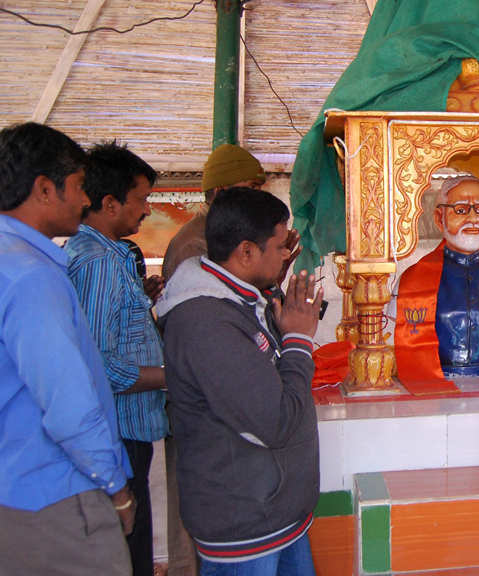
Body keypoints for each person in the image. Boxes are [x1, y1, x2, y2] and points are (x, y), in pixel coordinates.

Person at [155, 188, 322, 575]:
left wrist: (284, 324)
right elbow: (276, 420)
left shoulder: (241, 300)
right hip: (244, 529)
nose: (287, 256)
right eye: (280, 247)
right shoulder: (205, 320)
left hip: (275, 517)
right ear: (246, 252)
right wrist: (298, 339)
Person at [0, 122, 134, 575]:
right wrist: (116, 488)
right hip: (55, 493)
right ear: (43, 189)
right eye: (78, 187)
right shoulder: (30, 277)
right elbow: (68, 403)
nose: (85, 200)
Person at [64, 142, 167, 576]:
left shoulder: (109, 256)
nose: (146, 210)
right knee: (129, 546)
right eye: (141, 199)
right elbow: (98, 363)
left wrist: (138, 302)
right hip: (118, 431)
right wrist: (171, 376)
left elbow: (106, 326)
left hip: (126, 428)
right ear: (109, 204)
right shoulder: (98, 262)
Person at [386, 175, 479, 395]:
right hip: (432, 387)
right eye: (460, 209)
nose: (473, 218)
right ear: (439, 218)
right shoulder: (408, 283)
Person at [162, 143, 268, 280]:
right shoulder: (197, 243)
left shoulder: (223, 232)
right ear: (221, 192)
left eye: (260, 188)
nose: (259, 196)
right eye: (252, 188)